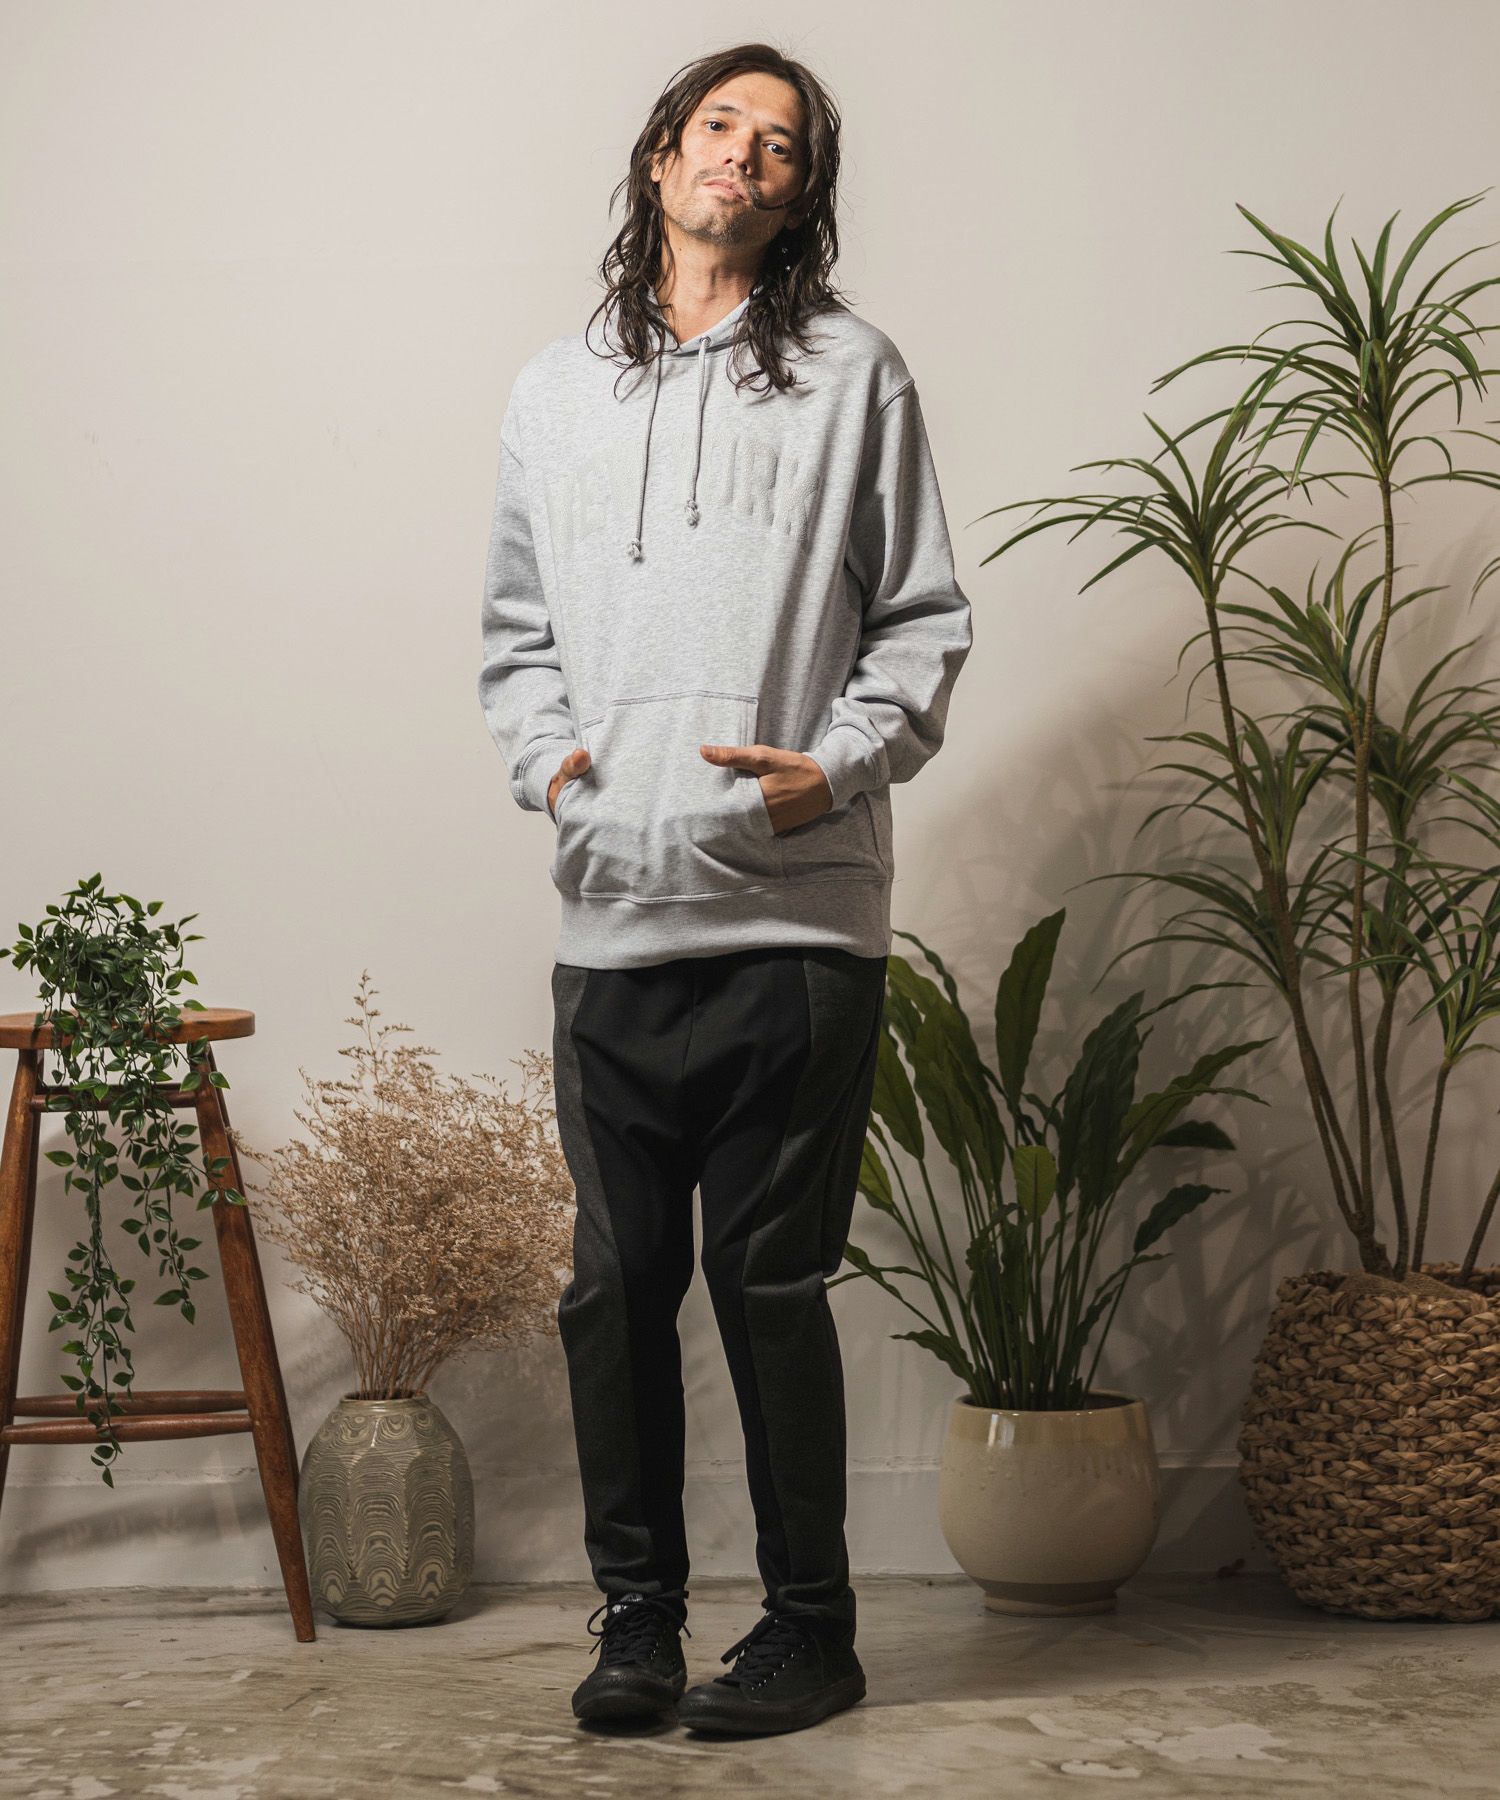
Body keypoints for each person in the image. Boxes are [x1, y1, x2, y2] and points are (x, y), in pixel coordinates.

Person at [477, 42, 972, 1738]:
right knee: (613, 1292)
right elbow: (515, 637)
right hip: (611, 914)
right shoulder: (553, 392)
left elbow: (923, 617)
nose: (743, 160)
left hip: (795, 918)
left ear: (801, 194)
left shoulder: (853, 375)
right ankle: (637, 1623)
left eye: (780, 148)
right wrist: (555, 771)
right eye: (718, 128)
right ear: (660, 157)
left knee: (768, 1289)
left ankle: (812, 1631)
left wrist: (836, 767)